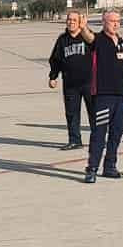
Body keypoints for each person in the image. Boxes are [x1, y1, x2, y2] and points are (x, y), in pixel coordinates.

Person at [83, 11, 123, 183]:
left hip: (121, 97)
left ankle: (110, 166)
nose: (116, 24)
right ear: (104, 22)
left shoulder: (122, 43)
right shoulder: (98, 40)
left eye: (118, 21)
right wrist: (83, 26)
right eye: (112, 21)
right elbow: (88, 37)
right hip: (103, 97)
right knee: (99, 133)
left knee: (116, 133)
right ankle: (92, 168)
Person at [47, 12, 96, 150]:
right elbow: (55, 59)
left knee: (94, 112)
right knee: (71, 113)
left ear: (80, 22)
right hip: (70, 84)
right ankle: (75, 140)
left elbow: (98, 49)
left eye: (74, 20)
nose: (71, 22)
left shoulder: (87, 37)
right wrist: (53, 77)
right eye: (69, 20)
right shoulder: (62, 40)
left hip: (89, 83)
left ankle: (97, 139)